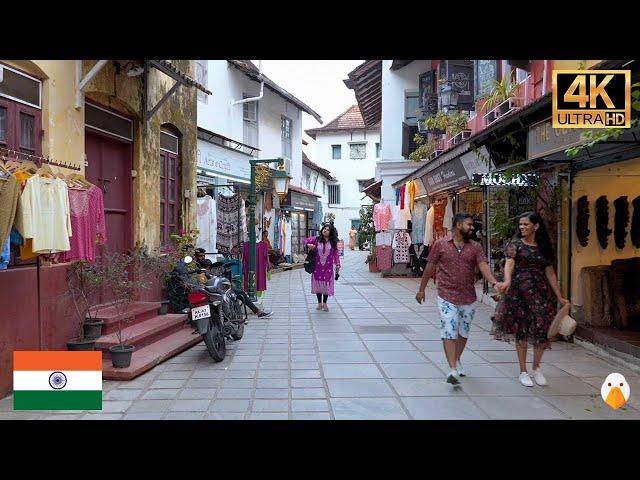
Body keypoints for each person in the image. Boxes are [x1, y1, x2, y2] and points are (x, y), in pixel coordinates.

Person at [416, 212, 500, 385]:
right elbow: (430, 267)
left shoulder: (475, 247)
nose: (472, 227)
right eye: (469, 224)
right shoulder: (440, 245)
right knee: (449, 328)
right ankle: (452, 369)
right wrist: (421, 289)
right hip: (446, 295)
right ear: (457, 225)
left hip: (468, 296)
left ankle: (457, 359)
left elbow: (483, 266)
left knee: (463, 332)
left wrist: (493, 282)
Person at [492, 212, 570, 387]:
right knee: (522, 332)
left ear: (536, 226)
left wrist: (560, 296)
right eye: (520, 224)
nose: (522, 227)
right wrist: (507, 280)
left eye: (526, 224)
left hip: (540, 294)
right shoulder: (515, 245)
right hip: (519, 293)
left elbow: (550, 272)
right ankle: (523, 371)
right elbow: (509, 264)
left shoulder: (544, 247)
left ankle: (536, 368)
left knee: (541, 331)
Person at [194, 247, 273, 319]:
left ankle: (255, 312)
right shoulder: (195, 267)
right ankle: (254, 312)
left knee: (239, 293)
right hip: (208, 290)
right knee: (237, 293)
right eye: (200, 256)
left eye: (203, 256)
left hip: (216, 288)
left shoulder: (206, 265)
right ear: (196, 257)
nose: (202, 258)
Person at [305, 223, 341, 312]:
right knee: (318, 284)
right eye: (324, 228)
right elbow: (305, 241)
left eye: (328, 229)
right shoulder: (316, 239)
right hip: (317, 266)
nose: (325, 230)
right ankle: (319, 303)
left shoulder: (333, 242)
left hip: (328, 267)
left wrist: (338, 263)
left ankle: (325, 303)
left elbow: (336, 254)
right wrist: (309, 245)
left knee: (326, 284)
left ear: (331, 232)